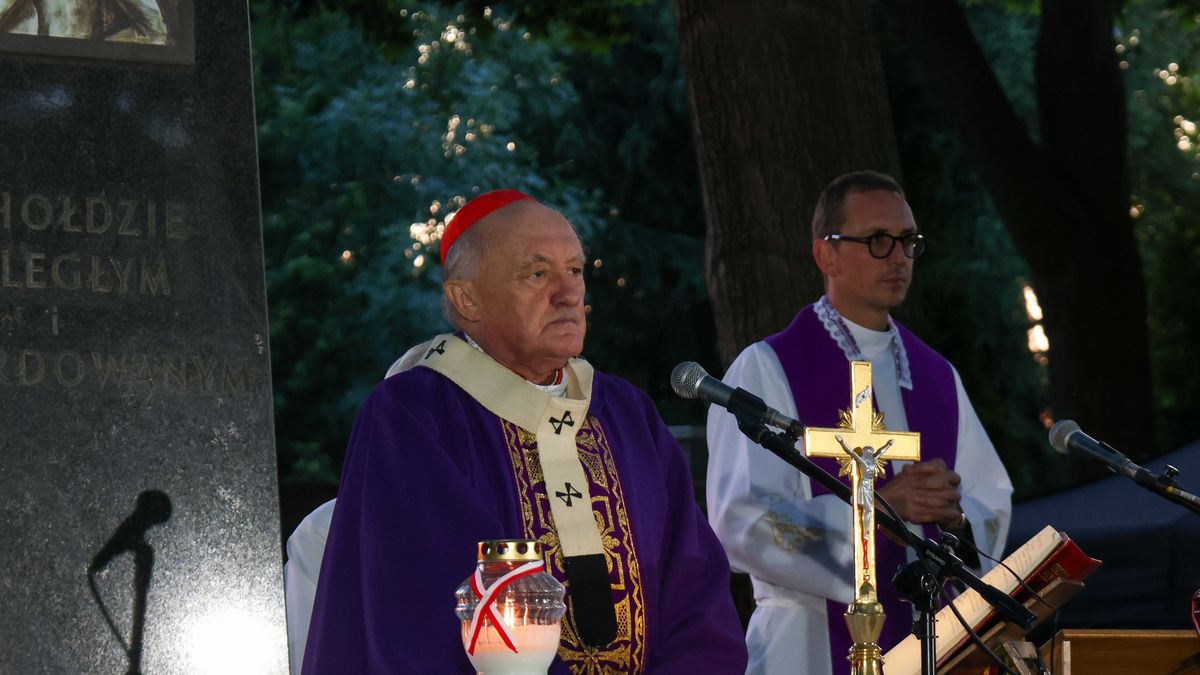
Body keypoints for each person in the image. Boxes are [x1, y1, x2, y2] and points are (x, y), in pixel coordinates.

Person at [302, 189, 747, 674]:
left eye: (575, 270)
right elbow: (426, 608)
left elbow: (698, 591)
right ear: (466, 298)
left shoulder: (626, 414)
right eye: (537, 274)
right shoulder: (413, 416)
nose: (569, 293)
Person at [705, 171, 1013, 674]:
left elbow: (990, 501)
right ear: (826, 255)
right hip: (807, 643)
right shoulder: (767, 368)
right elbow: (742, 520)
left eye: (907, 241)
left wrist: (956, 516)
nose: (898, 257)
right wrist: (878, 513)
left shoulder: (936, 376)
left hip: (927, 641)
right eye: (877, 241)